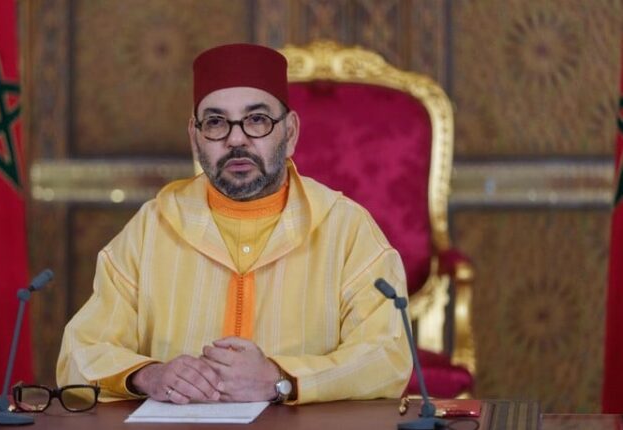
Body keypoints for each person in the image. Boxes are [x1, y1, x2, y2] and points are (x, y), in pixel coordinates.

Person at [57, 43, 412, 405]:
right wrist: (148, 375)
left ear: (290, 133)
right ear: (195, 138)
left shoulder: (345, 228)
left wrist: (281, 379)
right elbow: (79, 353)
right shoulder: (151, 228)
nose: (236, 139)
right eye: (215, 122)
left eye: (257, 120)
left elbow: (388, 357)